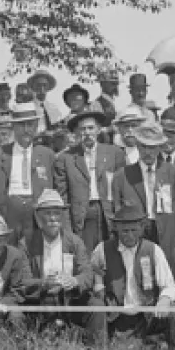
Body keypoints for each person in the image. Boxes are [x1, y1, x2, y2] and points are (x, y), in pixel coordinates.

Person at [88, 204, 175, 348]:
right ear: (116, 229)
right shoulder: (102, 250)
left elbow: (169, 286)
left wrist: (164, 301)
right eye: (125, 231)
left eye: (134, 230)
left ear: (142, 228)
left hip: (148, 315)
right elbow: (94, 275)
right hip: (117, 316)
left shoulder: (153, 250)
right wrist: (100, 289)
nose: (130, 235)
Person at [20, 190, 102, 343]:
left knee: (96, 306)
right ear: (38, 217)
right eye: (48, 213)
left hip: (69, 299)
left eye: (57, 213)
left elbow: (88, 274)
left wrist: (74, 281)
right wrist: (44, 284)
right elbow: (22, 281)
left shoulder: (74, 242)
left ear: (63, 216)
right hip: (40, 300)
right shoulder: (26, 244)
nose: (53, 218)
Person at [113, 121, 175, 267]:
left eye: (152, 147)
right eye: (144, 147)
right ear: (137, 146)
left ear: (159, 148)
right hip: (136, 235)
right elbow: (116, 212)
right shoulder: (122, 176)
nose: (148, 152)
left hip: (168, 235)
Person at [0, 103, 56, 245]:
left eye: (30, 125)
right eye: (21, 125)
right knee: (7, 252)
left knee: (35, 252)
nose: (26, 130)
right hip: (8, 210)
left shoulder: (46, 155)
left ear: (36, 127)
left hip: (36, 211)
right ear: (13, 128)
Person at [55, 108, 125, 253]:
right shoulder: (66, 158)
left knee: (111, 256)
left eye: (91, 128)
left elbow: (122, 190)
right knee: (86, 257)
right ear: (76, 133)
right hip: (82, 215)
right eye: (82, 129)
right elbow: (63, 198)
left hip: (108, 214)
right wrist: (67, 229)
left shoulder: (114, 153)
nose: (87, 132)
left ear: (98, 130)